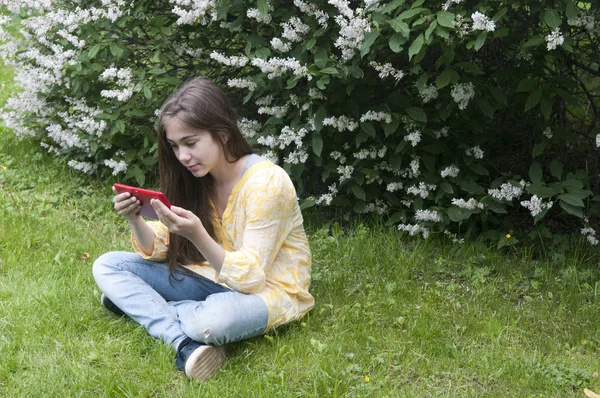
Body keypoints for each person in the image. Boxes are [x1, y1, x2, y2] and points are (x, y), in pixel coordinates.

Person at [92, 77, 314, 381]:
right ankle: (183, 344)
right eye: (175, 146)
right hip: (210, 276)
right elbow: (164, 245)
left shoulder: (267, 183)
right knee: (108, 265)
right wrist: (135, 218)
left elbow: (251, 278)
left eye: (191, 143)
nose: (182, 157)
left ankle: (147, 307)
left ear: (222, 134)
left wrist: (197, 233)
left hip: (269, 291)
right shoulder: (198, 178)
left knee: (209, 323)